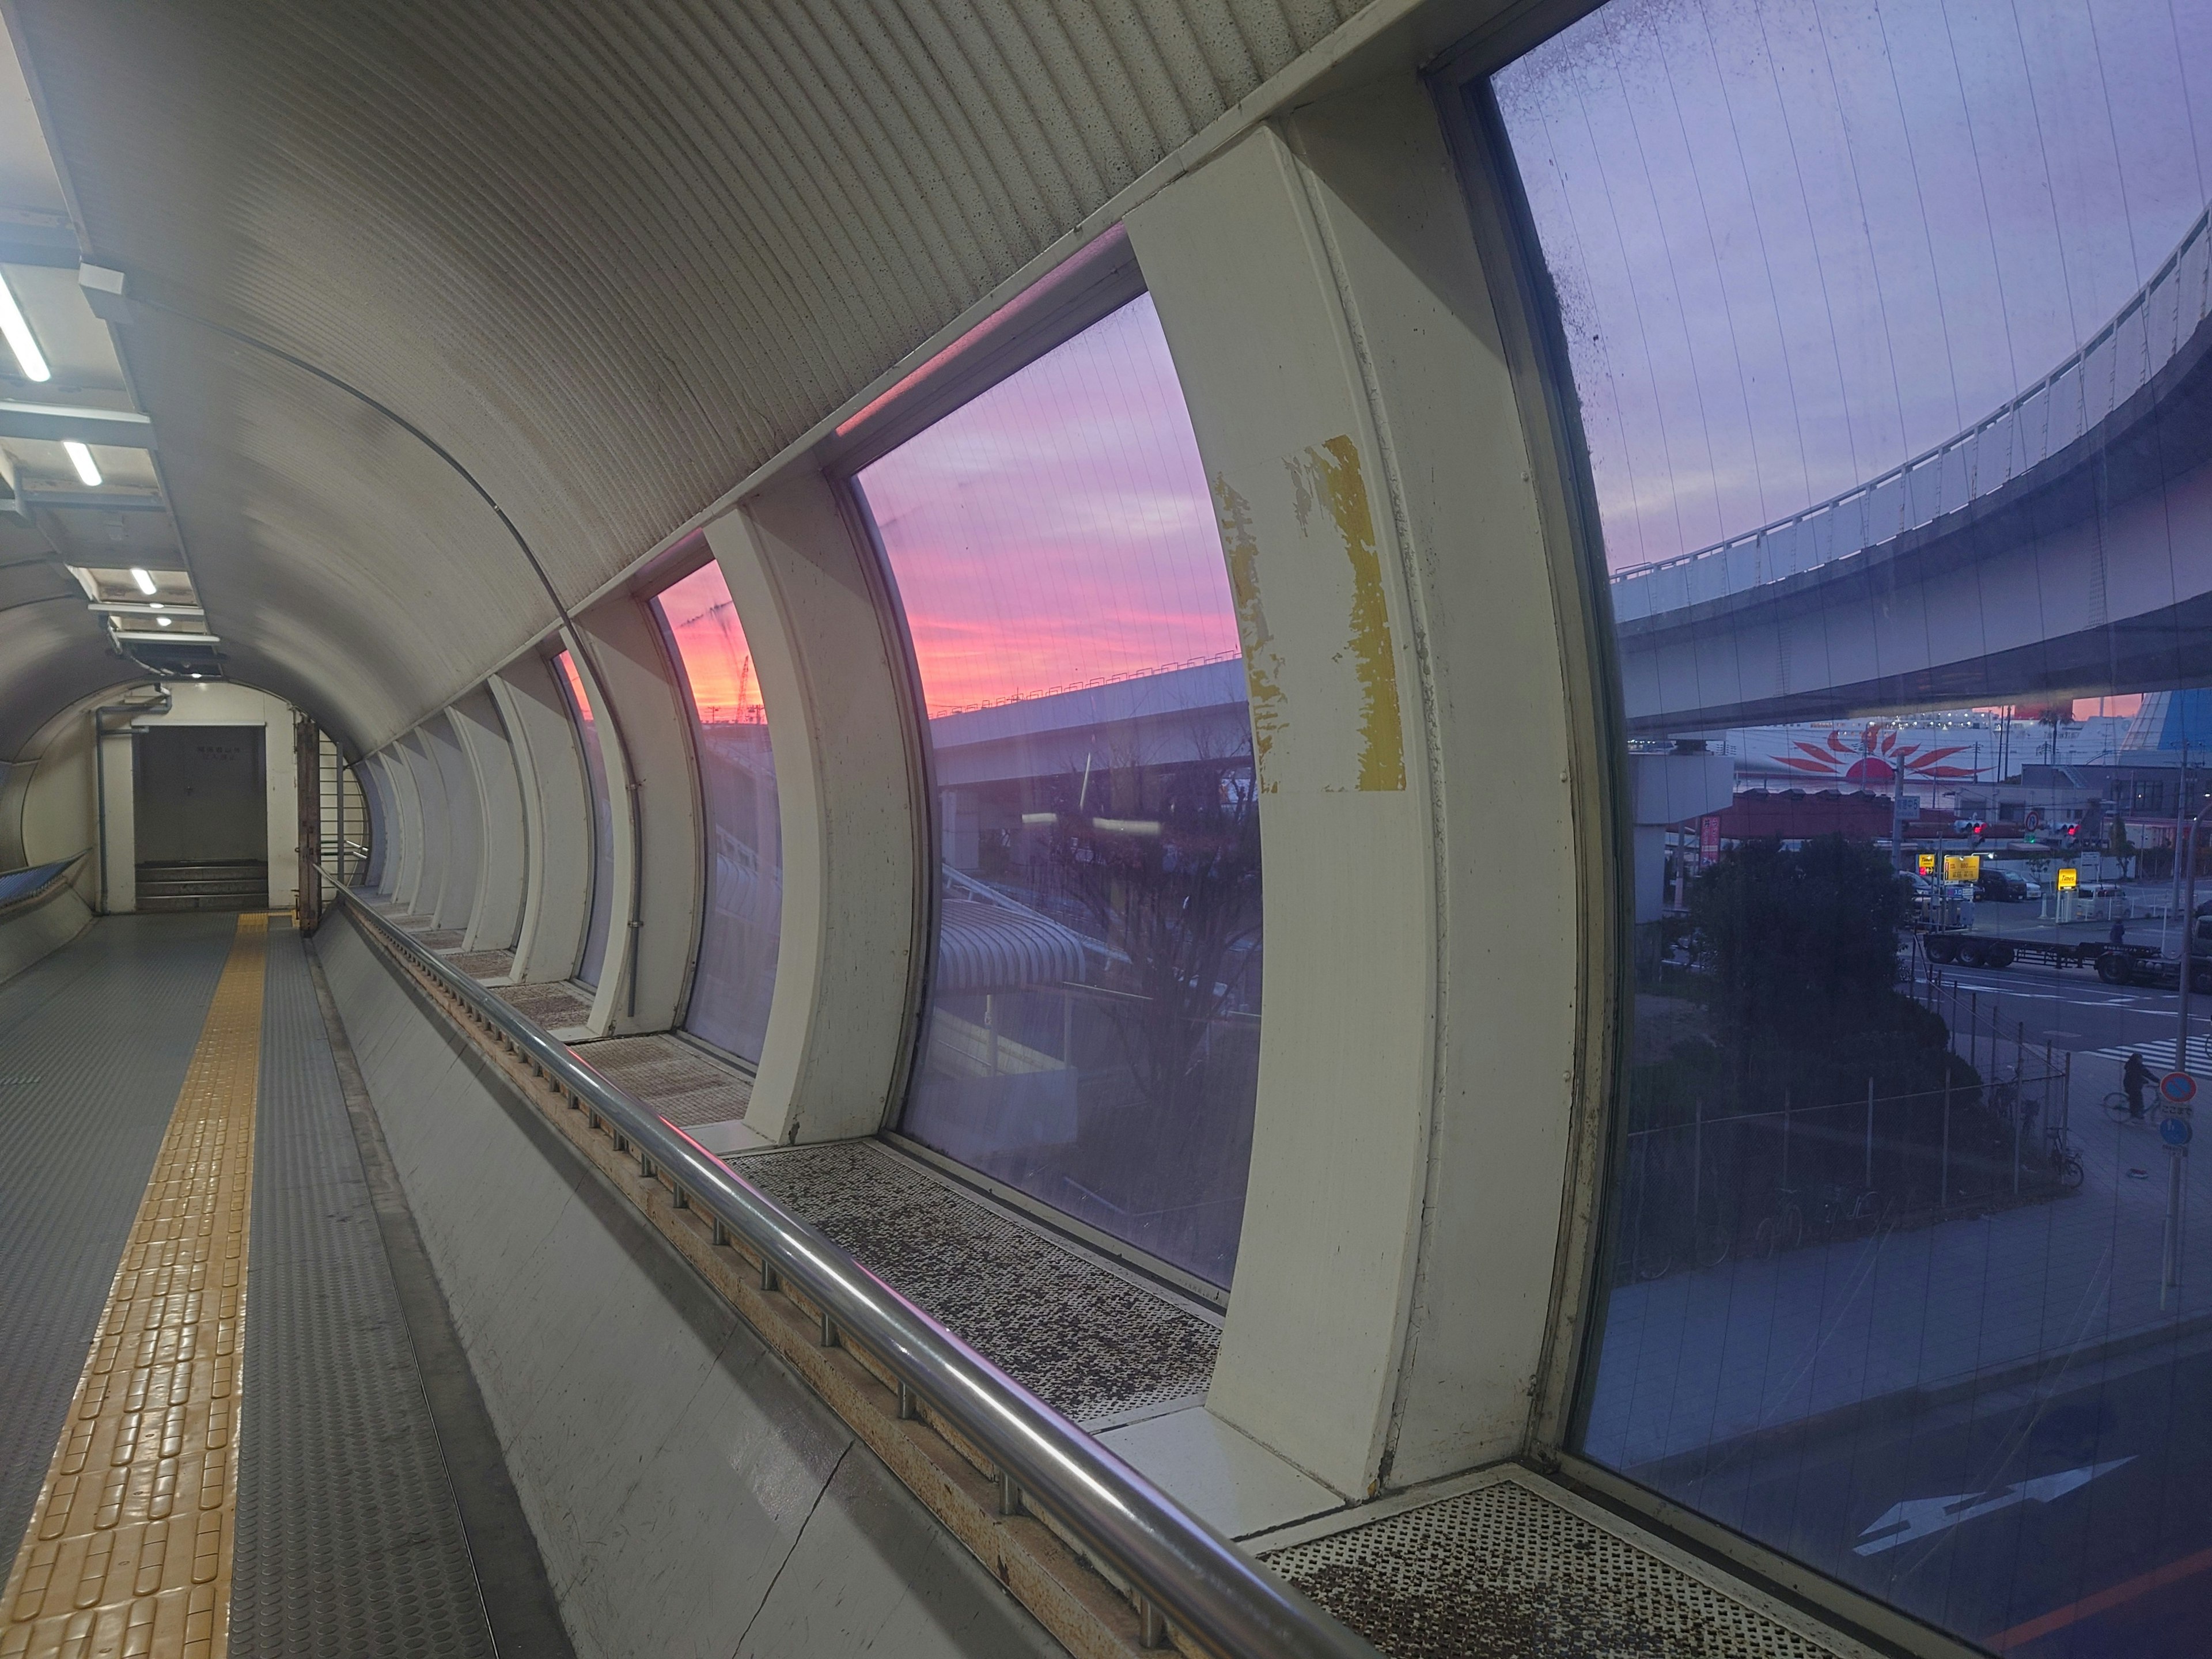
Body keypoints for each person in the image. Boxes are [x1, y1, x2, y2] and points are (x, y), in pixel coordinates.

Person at [2124, 1051, 2151, 1120]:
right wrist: (2146, 1080)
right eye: (2140, 1059)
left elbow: (2146, 1073)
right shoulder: (2134, 1066)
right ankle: (2135, 1114)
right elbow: (2136, 1076)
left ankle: (2139, 1114)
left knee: (2139, 1099)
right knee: (2136, 1099)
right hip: (2131, 1086)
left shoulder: (2133, 1065)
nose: (2141, 1061)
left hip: (2135, 1085)